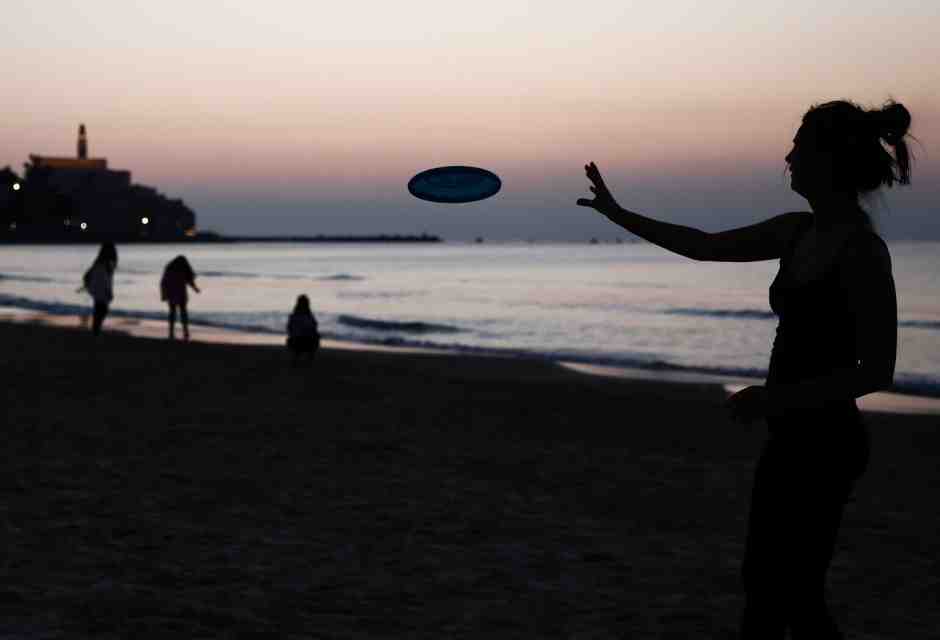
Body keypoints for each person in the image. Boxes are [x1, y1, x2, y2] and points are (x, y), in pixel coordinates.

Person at [577, 99, 910, 639]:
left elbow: (877, 369)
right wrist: (619, 215)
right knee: (769, 585)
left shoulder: (862, 253)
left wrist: (773, 399)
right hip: (790, 437)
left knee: (793, 594)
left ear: (829, 158)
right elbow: (705, 247)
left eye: (800, 145)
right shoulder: (797, 232)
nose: (789, 155)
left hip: (828, 443)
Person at [80, 242, 118, 336]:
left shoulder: (101, 262)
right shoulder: (105, 263)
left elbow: (87, 276)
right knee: (101, 311)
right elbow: (106, 279)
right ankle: (95, 332)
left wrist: (88, 286)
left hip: (98, 291)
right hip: (101, 291)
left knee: (99, 311)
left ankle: (96, 332)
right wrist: (109, 291)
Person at [160, 255, 200, 340]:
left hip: (171, 293)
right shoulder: (182, 268)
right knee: (183, 313)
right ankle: (185, 332)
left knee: (172, 313)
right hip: (181, 293)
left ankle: (171, 333)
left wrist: (163, 294)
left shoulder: (169, 268)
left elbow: (163, 282)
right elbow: (190, 280)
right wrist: (195, 289)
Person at [286, 294, 320, 366]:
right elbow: (315, 326)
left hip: (294, 342)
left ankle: (295, 357)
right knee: (316, 336)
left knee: (295, 337)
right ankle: (310, 358)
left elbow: (289, 328)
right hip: (306, 342)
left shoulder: (293, 315)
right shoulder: (309, 316)